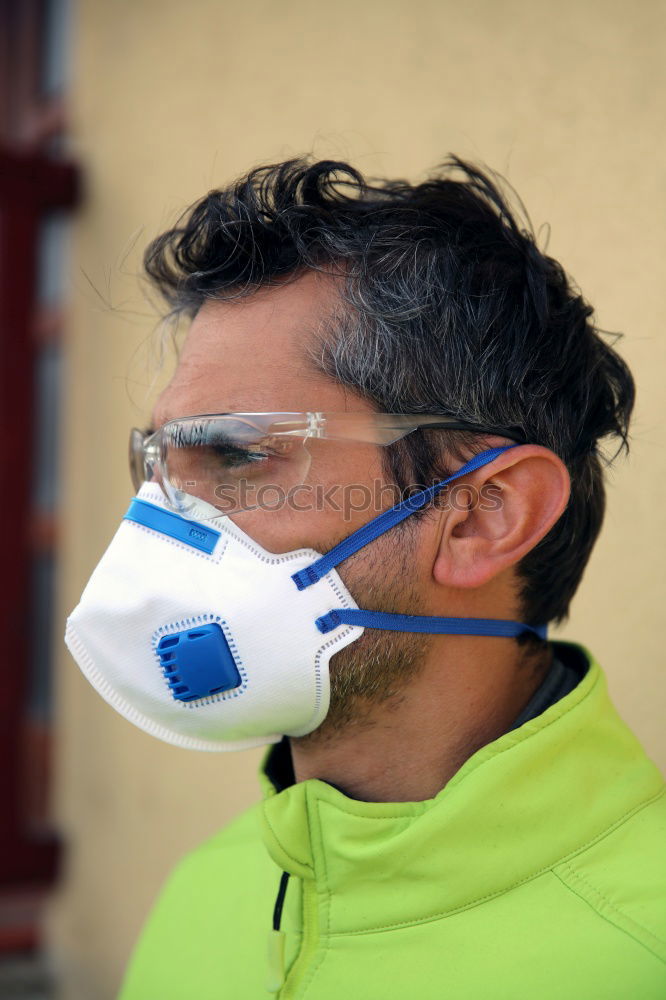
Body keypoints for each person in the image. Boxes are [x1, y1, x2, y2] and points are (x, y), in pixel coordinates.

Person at [65, 156, 665, 998]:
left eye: (234, 455)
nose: (159, 525)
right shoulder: (208, 892)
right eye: (158, 465)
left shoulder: (643, 950)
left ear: (481, 516)